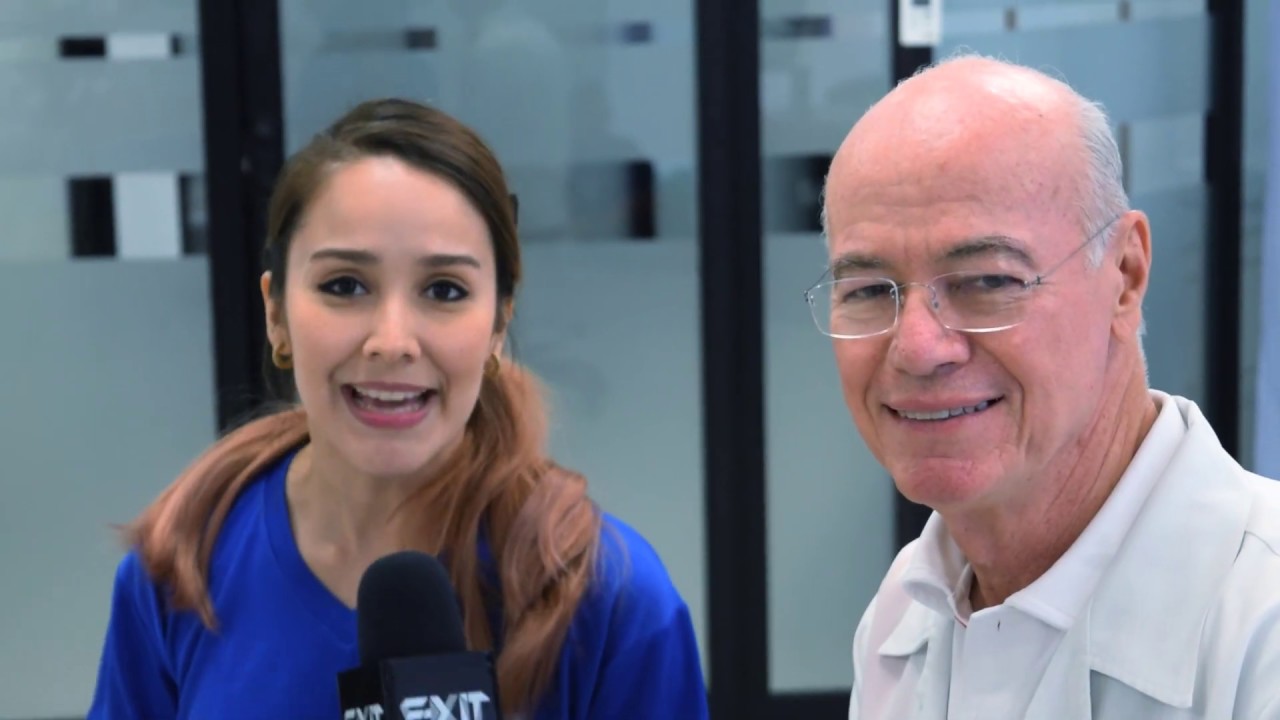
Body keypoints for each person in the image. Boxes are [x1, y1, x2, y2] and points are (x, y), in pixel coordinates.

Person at [88, 98, 708, 719]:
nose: (392, 340)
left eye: (444, 290)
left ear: (498, 324)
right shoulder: (180, 571)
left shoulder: (608, 599)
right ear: (275, 312)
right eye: (345, 286)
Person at [808, 54, 1280, 718]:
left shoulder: (1261, 624)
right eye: (865, 291)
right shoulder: (902, 614)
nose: (916, 348)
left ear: (1126, 274)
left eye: (988, 280)